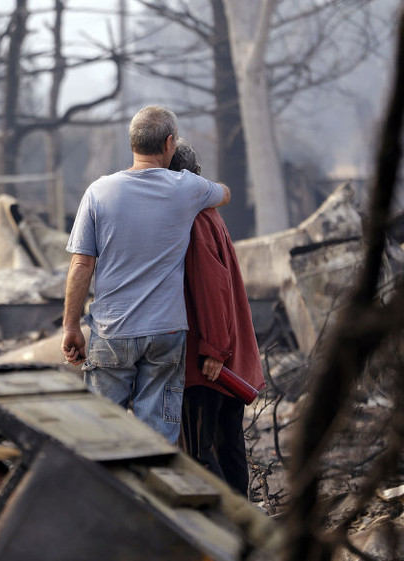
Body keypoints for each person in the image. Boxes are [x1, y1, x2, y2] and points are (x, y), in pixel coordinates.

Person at [61, 106, 231, 442]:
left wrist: (70, 326)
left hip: (113, 331)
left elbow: (81, 265)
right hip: (167, 334)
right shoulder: (188, 188)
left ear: (132, 143)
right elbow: (225, 193)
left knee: (101, 437)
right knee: (157, 439)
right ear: (170, 143)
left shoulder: (99, 192)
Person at [169, 139, 264, 496]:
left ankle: (228, 534)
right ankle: (247, 533)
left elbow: (212, 288)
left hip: (208, 364)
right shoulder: (211, 215)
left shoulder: (192, 220)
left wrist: (212, 349)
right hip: (228, 360)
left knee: (198, 454)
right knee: (229, 450)